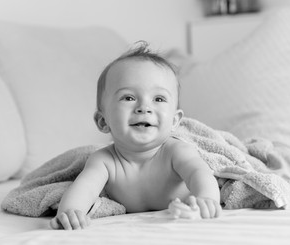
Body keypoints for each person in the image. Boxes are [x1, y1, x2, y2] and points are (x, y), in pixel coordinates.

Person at [50, 42, 221, 230]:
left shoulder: (176, 151)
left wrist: (206, 198)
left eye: (158, 99)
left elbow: (199, 172)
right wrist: (71, 211)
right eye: (129, 98)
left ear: (174, 121)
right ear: (103, 122)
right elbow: (85, 189)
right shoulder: (104, 161)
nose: (144, 108)